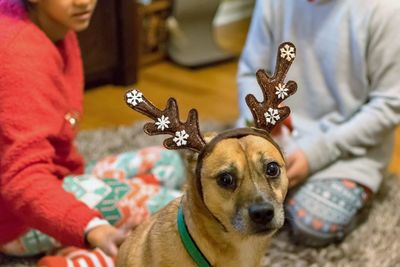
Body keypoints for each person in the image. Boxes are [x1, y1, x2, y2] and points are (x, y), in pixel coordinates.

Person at [0, 0, 184, 266]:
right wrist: (92, 227)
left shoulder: (57, 25)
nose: (84, 1)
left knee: (167, 163)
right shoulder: (18, 54)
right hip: (16, 217)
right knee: (180, 212)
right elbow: (22, 179)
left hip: (56, 179)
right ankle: (89, 253)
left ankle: (78, 250)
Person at [237, 0, 400, 247]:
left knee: (312, 225)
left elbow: (389, 105)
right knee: (203, 178)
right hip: (270, 138)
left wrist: (315, 154)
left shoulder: (386, 10)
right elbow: (251, 71)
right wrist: (260, 115)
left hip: (349, 150)